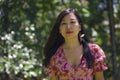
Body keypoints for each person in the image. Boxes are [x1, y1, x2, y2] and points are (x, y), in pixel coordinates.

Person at [43, 8, 108, 80]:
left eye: (72, 22)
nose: (68, 27)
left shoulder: (94, 51)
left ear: (79, 27)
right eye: (64, 23)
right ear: (59, 29)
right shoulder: (55, 55)